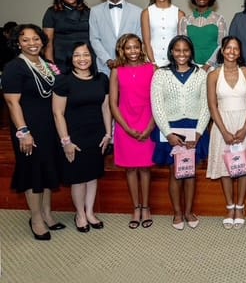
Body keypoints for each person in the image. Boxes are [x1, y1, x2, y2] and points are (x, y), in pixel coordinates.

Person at [3, 24, 65, 240]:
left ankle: (47, 214)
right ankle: (36, 219)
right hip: (29, 127)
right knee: (32, 172)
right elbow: (12, 103)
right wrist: (24, 132)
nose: (32, 43)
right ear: (17, 43)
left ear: (42, 40)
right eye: (25, 39)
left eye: (36, 38)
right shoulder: (14, 67)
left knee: (47, 169)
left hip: (49, 126)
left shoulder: (47, 64)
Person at [151, 35, 210, 230]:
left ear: (191, 52)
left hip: (194, 128)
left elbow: (207, 106)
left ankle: (188, 212)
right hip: (170, 128)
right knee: (175, 172)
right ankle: (177, 212)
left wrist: (199, 133)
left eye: (186, 50)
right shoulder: (161, 74)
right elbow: (157, 106)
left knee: (190, 172)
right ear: (171, 52)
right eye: (177, 50)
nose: (182, 54)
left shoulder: (201, 74)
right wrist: (168, 133)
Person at [52, 42, 111, 233]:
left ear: (92, 57)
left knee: (92, 176)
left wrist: (108, 134)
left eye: (85, 54)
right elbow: (58, 113)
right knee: (78, 178)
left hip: (97, 135)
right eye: (77, 55)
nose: (82, 59)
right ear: (71, 59)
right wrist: (66, 141)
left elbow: (106, 107)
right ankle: (80, 214)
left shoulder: (101, 79)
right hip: (74, 136)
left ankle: (90, 212)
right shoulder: (63, 81)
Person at [206, 36, 246, 229]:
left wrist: (245, 128)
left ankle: (240, 206)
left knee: (243, 166)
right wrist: (224, 131)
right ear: (222, 51)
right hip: (222, 125)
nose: (232, 51)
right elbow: (212, 106)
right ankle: (230, 206)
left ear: (240, 52)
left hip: (245, 123)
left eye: (235, 48)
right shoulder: (213, 75)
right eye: (228, 48)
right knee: (225, 168)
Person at [109, 34, 156, 229]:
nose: (133, 51)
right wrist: (126, 128)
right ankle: (136, 207)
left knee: (145, 168)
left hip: (148, 122)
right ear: (122, 50)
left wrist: (151, 126)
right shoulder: (116, 71)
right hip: (125, 124)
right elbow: (113, 103)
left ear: (141, 48)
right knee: (130, 169)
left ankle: (146, 207)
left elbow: (157, 100)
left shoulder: (152, 69)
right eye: (128, 48)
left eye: (136, 47)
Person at [89, 0, 142, 76]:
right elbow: (94, 39)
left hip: (131, 64)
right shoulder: (95, 11)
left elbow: (139, 38)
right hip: (105, 67)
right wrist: (107, 60)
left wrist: (126, 59)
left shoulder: (137, 11)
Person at [42, 0, 91, 73]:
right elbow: (48, 43)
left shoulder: (87, 12)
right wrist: (51, 68)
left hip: (85, 60)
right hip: (62, 60)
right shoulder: (52, 12)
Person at [178, 0, 227, 71]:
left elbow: (221, 45)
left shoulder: (219, 19)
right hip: (190, 66)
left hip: (214, 67)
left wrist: (208, 64)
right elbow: (183, 46)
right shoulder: (185, 20)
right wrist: (193, 65)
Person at [141, 0, 185, 68]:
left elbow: (182, 42)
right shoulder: (146, 13)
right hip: (152, 61)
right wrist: (153, 63)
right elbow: (146, 41)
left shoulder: (179, 13)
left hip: (174, 62)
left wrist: (177, 62)